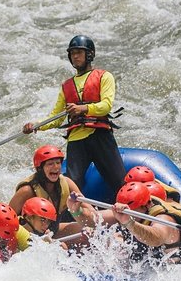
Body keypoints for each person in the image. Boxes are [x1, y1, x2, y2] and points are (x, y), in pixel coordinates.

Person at [21, 35, 126, 195]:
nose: (75, 56)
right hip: (76, 142)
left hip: (100, 136)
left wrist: (83, 109)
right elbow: (56, 118)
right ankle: (65, 218)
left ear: (89, 54)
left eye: (79, 52)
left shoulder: (104, 76)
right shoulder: (66, 86)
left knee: (119, 181)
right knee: (70, 187)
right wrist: (36, 125)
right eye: (72, 53)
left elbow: (105, 106)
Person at [67, 182, 181, 263]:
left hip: (175, 258)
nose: (128, 213)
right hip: (149, 257)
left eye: (132, 211)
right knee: (113, 242)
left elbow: (155, 238)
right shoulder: (129, 212)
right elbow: (93, 221)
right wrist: (76, 211)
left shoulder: (164, 219)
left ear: (146, 206)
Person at [9, 145, 90, 239]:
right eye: (50, 164)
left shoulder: (67, 183)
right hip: (29, 237)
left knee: (88, 231)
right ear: (40, 168)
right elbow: (7, 220)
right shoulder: (27, 190)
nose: (56, 167)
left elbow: (91, 211)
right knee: (63, 246)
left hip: (53, 231)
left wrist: (77, 211)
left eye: (58, 163)